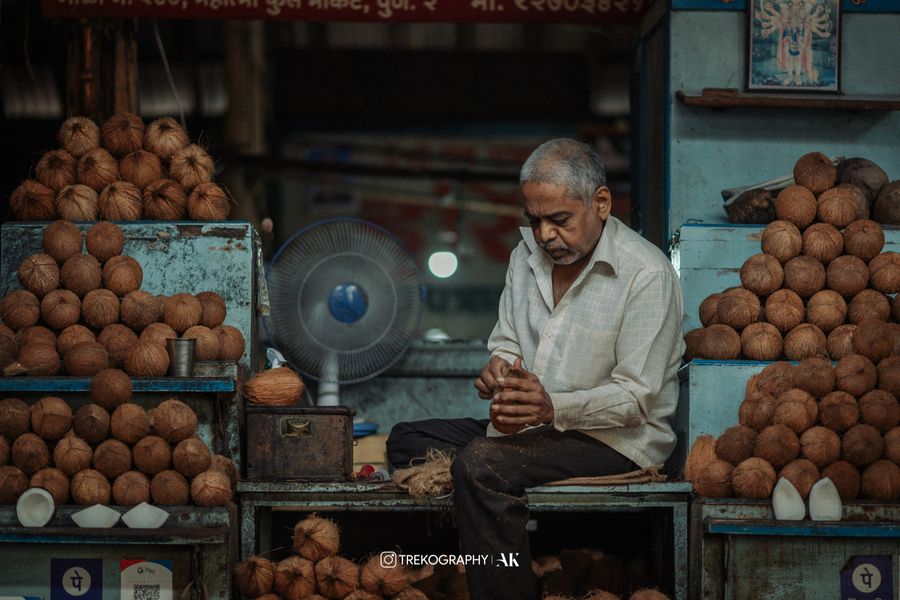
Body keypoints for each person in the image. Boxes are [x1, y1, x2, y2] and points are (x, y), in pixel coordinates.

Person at [386, 138, 685, 600]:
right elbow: (506, 342)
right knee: (407, 438)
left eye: (559, 220)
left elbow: (637, 397)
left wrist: (550, 407)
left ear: (600, 203)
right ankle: (492, 516)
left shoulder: (647, 274)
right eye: (534, 220)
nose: (545, 235)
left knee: (480, 463)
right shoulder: (524, 260)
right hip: (536, 434)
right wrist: (499, 372)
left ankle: (496, 555)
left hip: (615, 440)